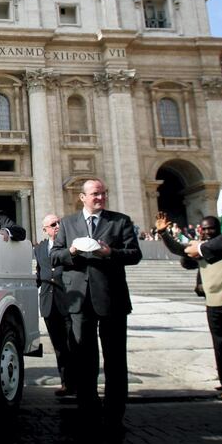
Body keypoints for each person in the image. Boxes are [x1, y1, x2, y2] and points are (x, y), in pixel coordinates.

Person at [50, 179, 142, 426]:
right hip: (79, 297)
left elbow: (135, 255)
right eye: (95, 194)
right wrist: (70, 252)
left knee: (114, 356)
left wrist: (110, 253)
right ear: (82, 197)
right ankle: (87, 405)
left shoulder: (120, 221)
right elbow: (54, 255)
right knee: (83, 355)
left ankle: (114, 409)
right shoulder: (68, 223)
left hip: (111, 297)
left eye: (103, 194)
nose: (100, 198)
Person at [157, 212, 222, 398]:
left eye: (212, 228)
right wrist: (163, 233)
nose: (208, 232)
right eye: (205, 228)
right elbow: (180, 250)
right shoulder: (203, 248)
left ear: (219, 229)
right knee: (221, 344)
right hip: (212, 302)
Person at [35, 213, 75, 397]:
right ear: (45, 229)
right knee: (59, 346)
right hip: (48, 302)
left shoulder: (71, 246)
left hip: (68, 301)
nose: (57, 226)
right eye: (53, 224)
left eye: (59, 222)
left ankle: (82, 384)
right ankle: (66, 383)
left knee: (74, 344)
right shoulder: (40, 248)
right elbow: (39, 272)